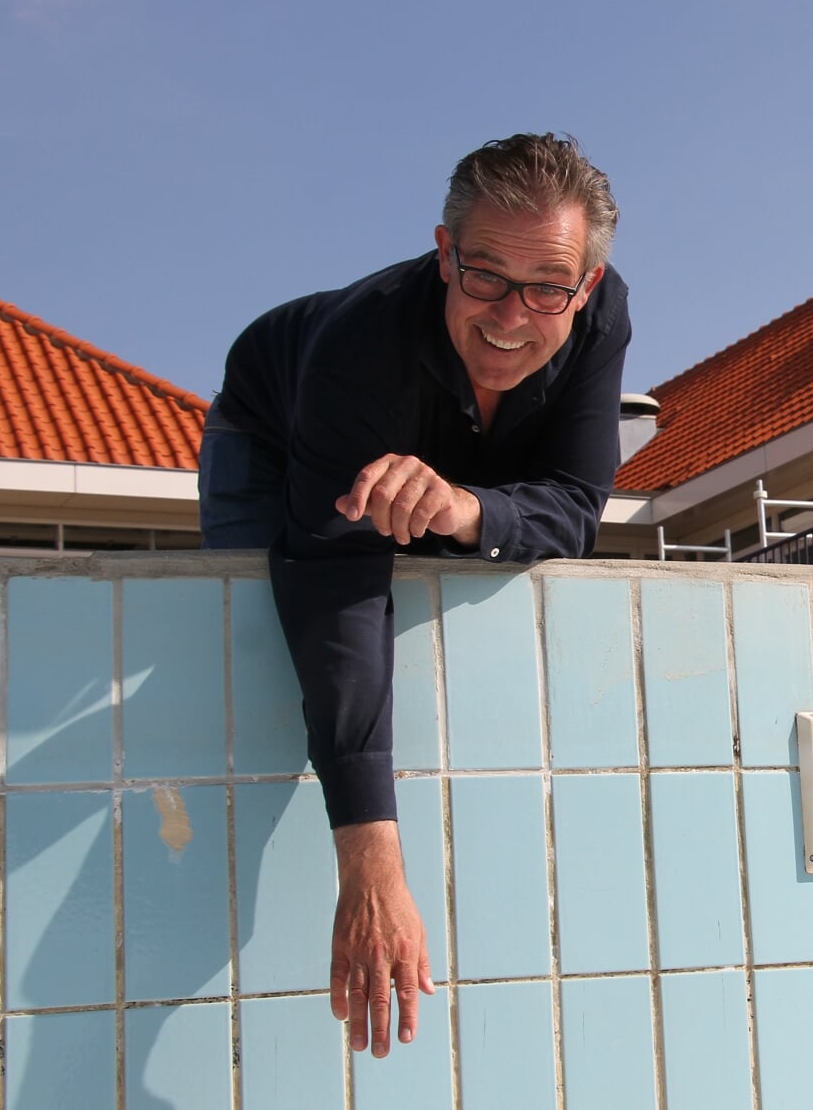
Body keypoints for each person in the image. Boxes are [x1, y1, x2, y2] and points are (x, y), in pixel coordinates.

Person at [197, 133, 628, 1057]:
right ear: (444, 254)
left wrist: (468, 508)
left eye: (548, 286)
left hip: (443, 455)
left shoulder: (601, 319)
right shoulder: (359, 349)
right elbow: (333, 590)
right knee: (258, 636)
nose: (512, 317)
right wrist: (374, 868)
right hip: (272, 428)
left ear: (586, 288)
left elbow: (578, 505)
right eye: (484, 276)